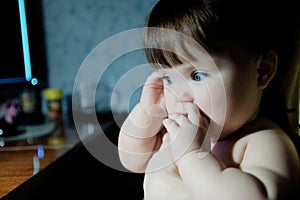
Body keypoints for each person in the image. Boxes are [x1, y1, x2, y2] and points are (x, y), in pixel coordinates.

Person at [118, 0, 300, 199]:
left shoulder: (263, 142)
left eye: (197, 76)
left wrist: (192, 156)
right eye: (168, 78)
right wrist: (147, 113)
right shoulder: (179, 135)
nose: (180, 95)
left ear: (262, 71)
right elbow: (134, 161)